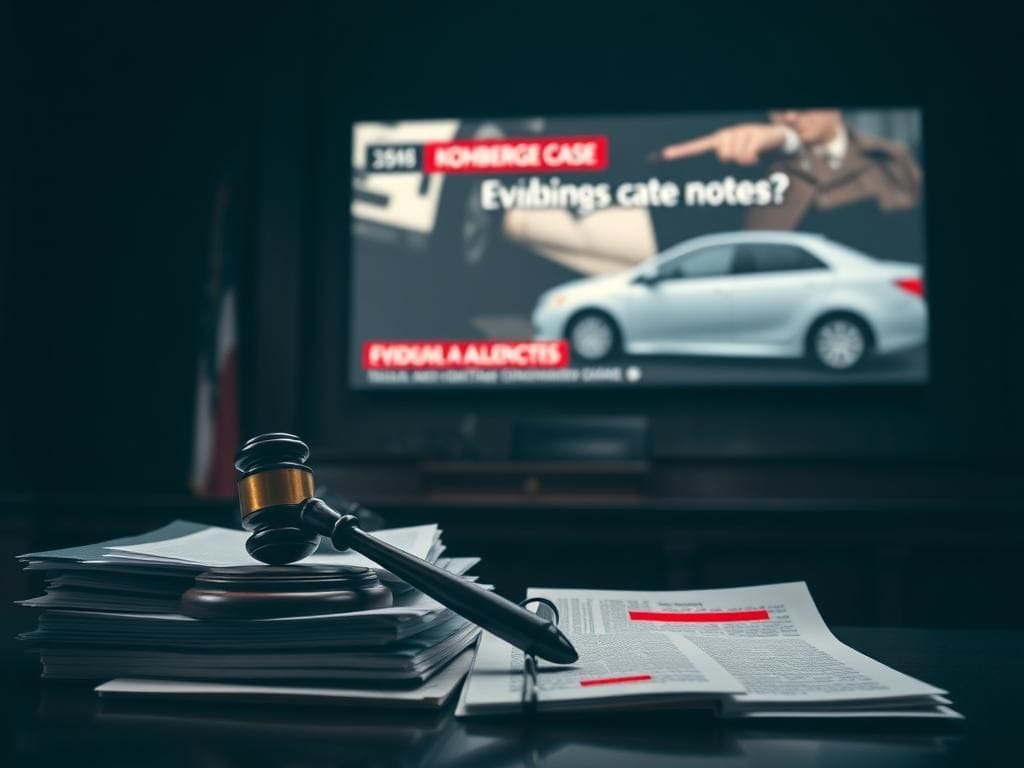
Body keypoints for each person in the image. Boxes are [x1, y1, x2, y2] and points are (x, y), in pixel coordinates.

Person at [657, 109, 924, 263]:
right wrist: (787, 144)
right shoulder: (750, 160)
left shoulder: (892, 157)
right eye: (780, 107)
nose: (792, 116)